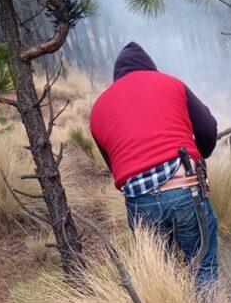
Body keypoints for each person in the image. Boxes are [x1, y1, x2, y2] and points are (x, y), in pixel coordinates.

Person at [90, 42, 219, 285]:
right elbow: (208, 128)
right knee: (203, 265)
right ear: (150, 67)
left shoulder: (98, 108)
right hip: (184, 187)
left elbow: (114, 165)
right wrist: (201, 154)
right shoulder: (170, 83)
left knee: (160, 275)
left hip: (139, 200)